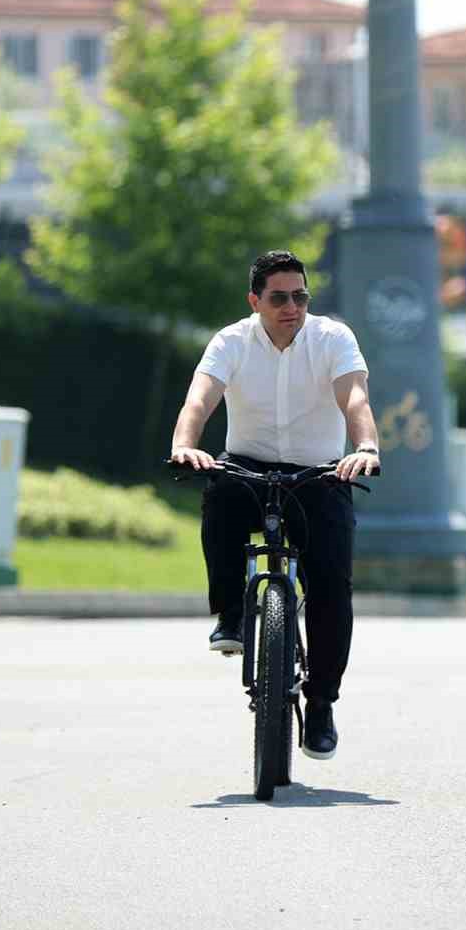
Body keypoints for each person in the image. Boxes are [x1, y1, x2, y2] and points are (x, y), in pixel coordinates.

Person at [169, 249, 381, 761]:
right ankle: (231, 616)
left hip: (319, 474)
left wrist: (366, 448)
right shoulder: (231, 341)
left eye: (301, 296)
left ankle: (323, 702)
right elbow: (200, 398)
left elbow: (355, 398)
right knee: (218, 493)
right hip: (248, 467)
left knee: (332, 586)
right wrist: (185, 443)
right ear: (255, 301)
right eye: (280, 297)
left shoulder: (332, 338)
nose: (293, 306)